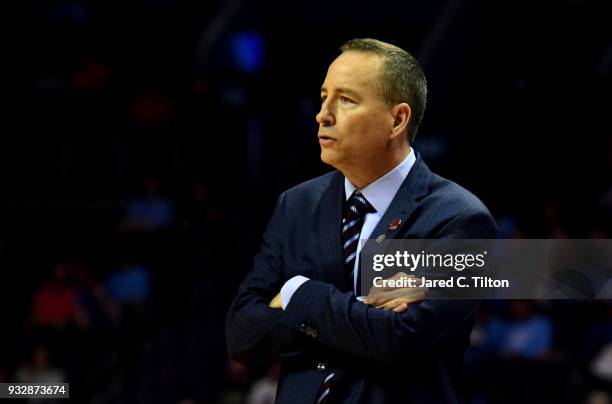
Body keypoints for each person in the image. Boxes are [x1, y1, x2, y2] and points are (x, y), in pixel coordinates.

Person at [226, 38, 497, 403]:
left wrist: (293, 293)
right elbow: (242, 335)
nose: (323, 114)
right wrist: (358, 312)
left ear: (397, 119)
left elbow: (395, 340)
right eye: (324, 97)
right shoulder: (297, 204)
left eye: (346, 100)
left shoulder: (459, 217)